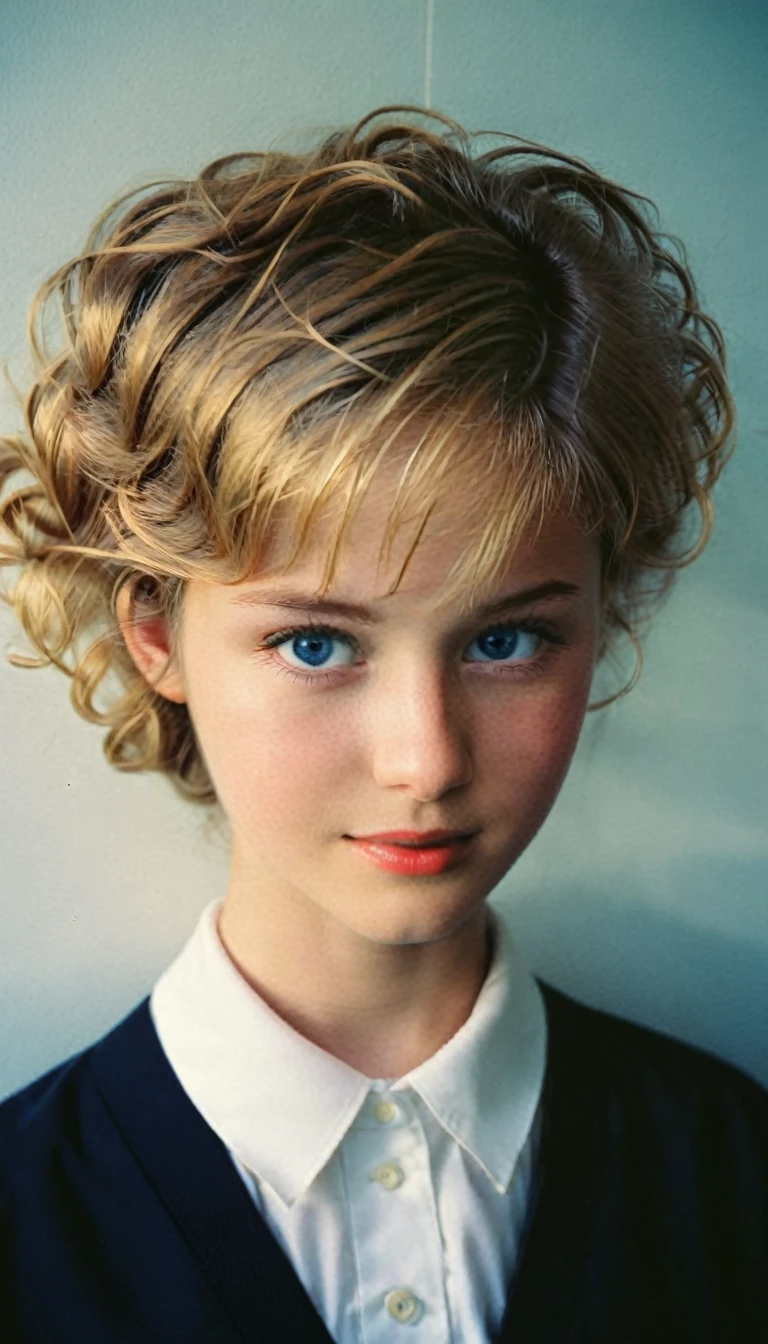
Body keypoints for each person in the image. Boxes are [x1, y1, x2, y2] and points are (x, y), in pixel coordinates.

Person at [0, 103, 766, 1343]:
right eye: (317, 644)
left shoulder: (736, 1180)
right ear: (155, 632)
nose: (427, 760)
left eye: (506, 640)